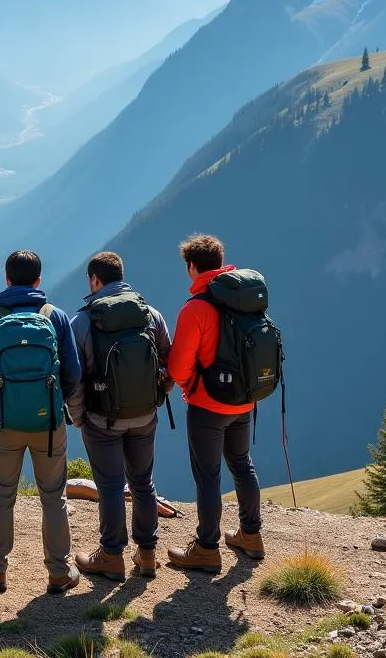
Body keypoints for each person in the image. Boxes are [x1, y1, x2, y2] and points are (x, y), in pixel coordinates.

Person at [0, 250, 83, 595]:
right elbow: (74, 373)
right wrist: (52, 404)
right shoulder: (56, 316)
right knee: (53, 496)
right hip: (48, 425)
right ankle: (60, 573)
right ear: (38, 280)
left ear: (6, 279)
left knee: (2, 496)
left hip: (4, 424)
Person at [69, 251, 173, 581]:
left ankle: (112, 556)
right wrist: (157, 397)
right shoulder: (150, 314)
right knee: (143, 483)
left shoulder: (83, 321)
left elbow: (73, 377)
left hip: (101, 419)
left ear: (94, 280)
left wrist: (78, 416)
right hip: (144, 416)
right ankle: (147, 556)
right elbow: (169, 362)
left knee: (111, 485)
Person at [167, 234, 264, 574]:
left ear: (192, 267)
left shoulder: (196, 308)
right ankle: (251, 535)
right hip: (244, 400)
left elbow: (177, 366)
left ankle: (207, 548)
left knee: (208, 476)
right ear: (221, 261)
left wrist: (191, 385)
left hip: (207, 406)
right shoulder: (245, 299)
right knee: (242, 463)